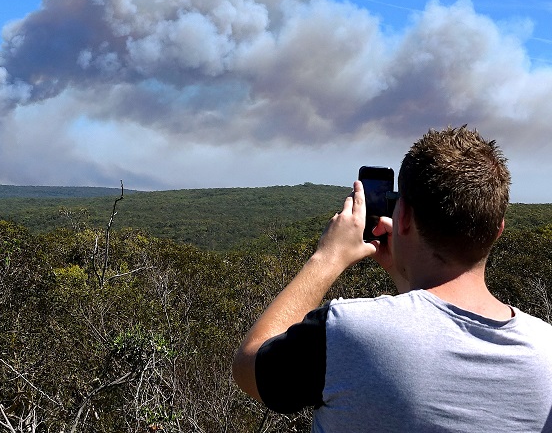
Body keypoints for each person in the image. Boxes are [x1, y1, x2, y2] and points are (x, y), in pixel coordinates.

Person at [232, 126, 552, 432]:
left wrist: (327, 258)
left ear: (406, 217)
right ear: (498, 229)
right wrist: (405, 277)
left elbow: (249, 367)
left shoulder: (348, 331)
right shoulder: (545, 349)